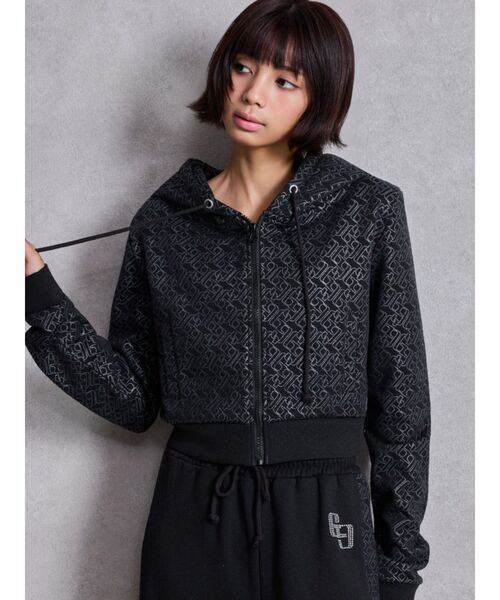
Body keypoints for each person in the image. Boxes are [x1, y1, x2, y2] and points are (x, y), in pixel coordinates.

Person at [25, 1, 431, 599]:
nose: (252, 94)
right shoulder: (165, 222)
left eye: (284, 81)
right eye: (243, 67)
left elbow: (402, 401)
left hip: (325, 512)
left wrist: (398, 568)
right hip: (195, 511)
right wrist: (35, 289)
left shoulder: (365, 211)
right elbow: (134, 400)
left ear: (319, 100)